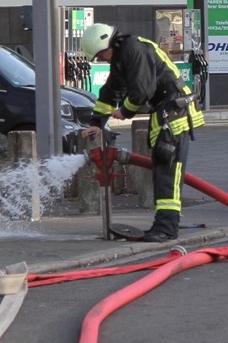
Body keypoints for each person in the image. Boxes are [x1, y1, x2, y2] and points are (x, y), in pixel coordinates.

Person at [81, 22, 205, 242]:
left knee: (168, 172)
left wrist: (125, 111)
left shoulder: (134, 50)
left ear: (107, 43)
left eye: (101, 55)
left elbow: (142, 90)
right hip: (165, 114)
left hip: (174, 114)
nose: (101, 60)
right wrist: (96, 123)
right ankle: (163, 225)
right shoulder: (121, 57)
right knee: (161, 170)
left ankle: (166, 228)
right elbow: (111, 90)